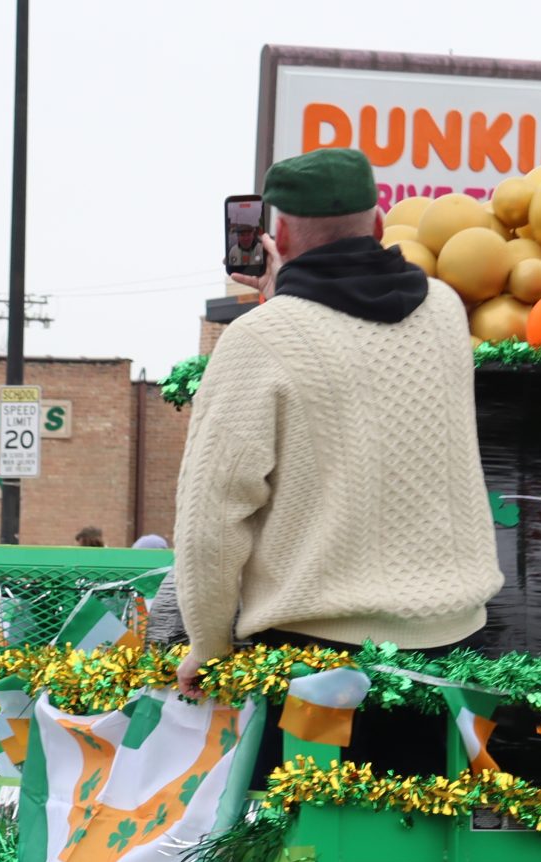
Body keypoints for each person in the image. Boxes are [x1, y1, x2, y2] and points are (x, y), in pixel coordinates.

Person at [172, 145, 500, 777]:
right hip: (449, 654)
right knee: (423, 849)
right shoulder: (443, 312)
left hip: (315, 668)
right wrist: (284, 294)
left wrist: (209, 647)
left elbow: (211, 522)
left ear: (281, 233)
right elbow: (355, 343)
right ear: (379, 224)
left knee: (298, 855)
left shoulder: (259, 339)